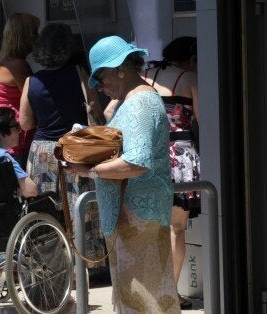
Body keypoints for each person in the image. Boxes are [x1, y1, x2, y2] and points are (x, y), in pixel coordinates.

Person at [71, 36, 180, 313]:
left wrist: (89, 170)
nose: (98, 85)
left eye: (100, 76)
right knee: (136, 298)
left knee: (144, 300)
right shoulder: (131, 100)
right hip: (132, 215)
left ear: (121, 68)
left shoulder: (141, 102)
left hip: (138, 218)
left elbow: (136, 162)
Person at [19, 22, 108, 270]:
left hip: (42, 153)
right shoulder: (79, 73)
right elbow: (96, 111)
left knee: (48, 210)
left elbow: (25, 123)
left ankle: (52, 266)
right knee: (82, 207)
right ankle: (86, 264)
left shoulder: (31, 81)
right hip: (75, 148)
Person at [143, 36, 200, 309]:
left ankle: (150, 291)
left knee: (152, 228)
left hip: (148, 157)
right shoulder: (189, 78)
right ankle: (169, 294)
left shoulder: (144, 76)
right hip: (180, 158)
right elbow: (206, 118)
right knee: (176, 229)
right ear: (192, 58)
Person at [0, 13, 40, 169]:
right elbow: (34, 100)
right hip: (17, 138)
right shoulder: (18, 66)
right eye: (34, 32)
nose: (37, 37)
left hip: (2, 135)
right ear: (24, 36)